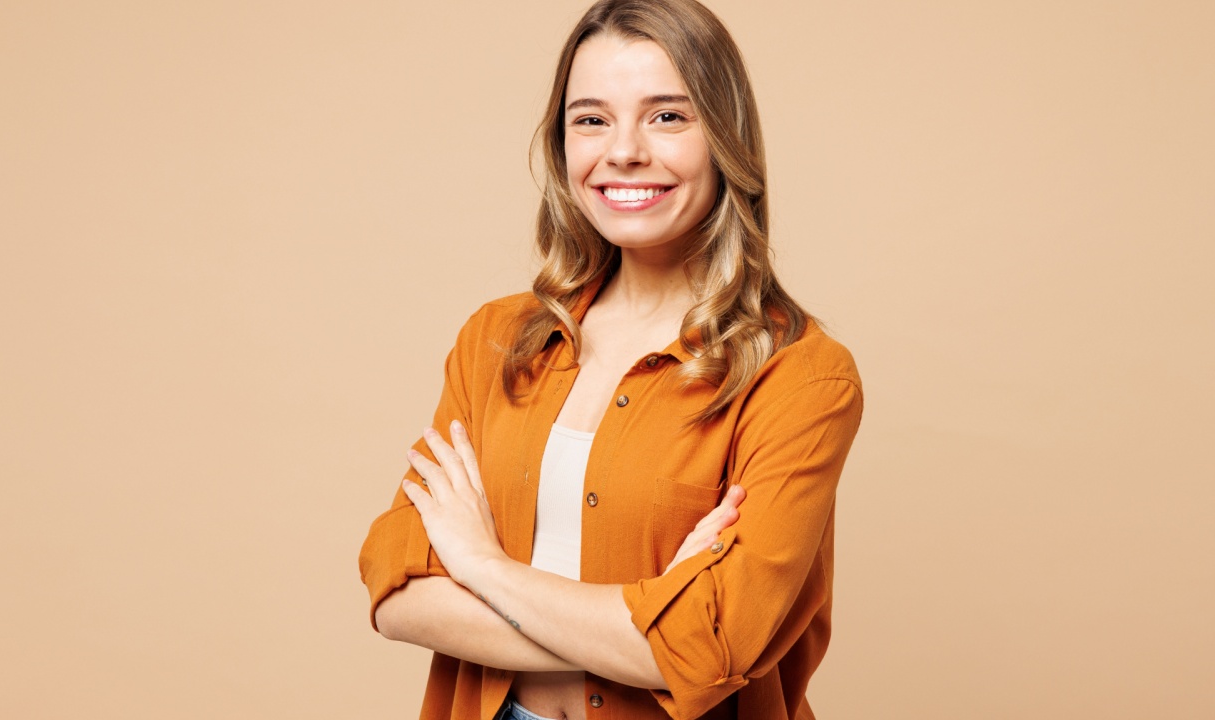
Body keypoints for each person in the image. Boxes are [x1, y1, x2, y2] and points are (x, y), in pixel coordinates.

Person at [358, 1, 863, 718]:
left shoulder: (802, 376)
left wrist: (480, 569)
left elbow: (720, 645)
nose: (623, 150)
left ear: (724, 137)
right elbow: (395, 589)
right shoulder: (497, 341)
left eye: (667, 116)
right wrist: (649, 635)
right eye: (591, 119)